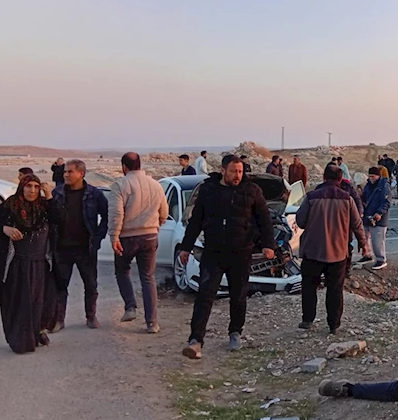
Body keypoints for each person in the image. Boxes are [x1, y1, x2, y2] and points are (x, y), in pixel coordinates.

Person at [178, 155, 278, 359]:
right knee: (205, 295)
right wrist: (186, 248)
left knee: (239, 295)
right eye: (234, 171)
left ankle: (235, 332)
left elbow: (264, 220)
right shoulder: (208, 190)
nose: (238, 175)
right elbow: (196, 221)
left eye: (240, 171)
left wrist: (269, 244)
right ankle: (196, 340)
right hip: (213, 252)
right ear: (223, 170)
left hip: (240, 252)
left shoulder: (251, 190)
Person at [0, 174, 57, 353]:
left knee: (39, 303)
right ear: (22, 187)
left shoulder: (44, 206)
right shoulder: (10, 205)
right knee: (19, 303)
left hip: (41, 265)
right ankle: (22, 341)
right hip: (16, 265)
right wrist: (4, 229)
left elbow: (60, 220)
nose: (32, 190)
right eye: (28, 186)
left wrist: (49, 197)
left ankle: (37, 332)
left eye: (35, 186)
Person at [296, 164, 369, 334]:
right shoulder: (347, 199)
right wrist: (363, 244)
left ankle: (307, 320)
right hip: (337, 253)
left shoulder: (311, 197)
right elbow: (357, 224)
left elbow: (300, 221)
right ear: (339, 179)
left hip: (312, 251)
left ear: (323, 177)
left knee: (309, 287)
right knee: (335, 290)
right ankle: (333, 325)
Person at [108, 152, 169, 333]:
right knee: (147, 277)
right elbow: (163, 212)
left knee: (122, 270)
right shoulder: (155, 184)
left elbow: (116, 214)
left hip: (126, 237)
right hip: (150, 236)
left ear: (124, 167)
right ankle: (152, 323)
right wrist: (156, 225)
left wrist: (114, 236)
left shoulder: (120, 184)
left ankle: (130, 307)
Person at [50, 159, 108, 331]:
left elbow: (106, 216)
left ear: (81, 173)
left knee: (90, 285)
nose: (65, 174)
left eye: (70, 172)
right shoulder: (57, 193)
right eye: (65, 172)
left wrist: (97, 238)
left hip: (85, 248)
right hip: (61, 248)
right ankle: (59, 320)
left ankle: (91, 317)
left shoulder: (94, 194)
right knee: (60, 286)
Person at [314, 171, 363, 277]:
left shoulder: (347, 188)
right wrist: (362, 242)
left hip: (343, 224)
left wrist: (357, 214)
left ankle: (346, 269)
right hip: (330, 224)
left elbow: (357, 203)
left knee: (347, 247)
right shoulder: (319, 190)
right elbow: (357, 223)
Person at [361, 167, 391, 270]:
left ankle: (381, 259)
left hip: (378, 219)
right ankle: (367, 255)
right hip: (367, 216)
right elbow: (364, 198)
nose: (371, 178)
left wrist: (379, 213)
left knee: (377, 241)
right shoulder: (368, 186)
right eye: (369, 176)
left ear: (378, 176)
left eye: (373, 176)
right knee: (364, 238)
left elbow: (386, 202)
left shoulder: (384, 186)